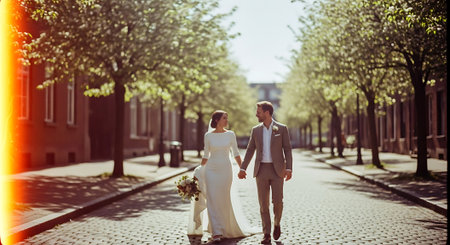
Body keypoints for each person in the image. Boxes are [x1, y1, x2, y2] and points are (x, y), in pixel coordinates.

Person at [187, 110, 256, 243]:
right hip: (211, 170)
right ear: (217, 120)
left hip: (225, 170)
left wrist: (242, 168)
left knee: (223, 199)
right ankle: (216, 232)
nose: (227, 120)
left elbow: (236, 153)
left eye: (227, 118)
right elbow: (206, 155)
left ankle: (224, 227)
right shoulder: (208, 136)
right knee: (212, 199)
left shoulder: (230, 134)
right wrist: (200, 169)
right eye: (224, 118)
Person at [238, 101, 293, 244]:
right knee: (263, 204)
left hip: (277, 171)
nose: (256, 114)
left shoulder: (281, 128)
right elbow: (250, 149)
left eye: (259, 112)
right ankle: (266, 233)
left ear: (267, 113)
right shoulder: (256, 130)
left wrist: (289, 168)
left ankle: (276, 223)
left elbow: (287, 149)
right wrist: (243, 168)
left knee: (278, 202)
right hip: (261, 170)